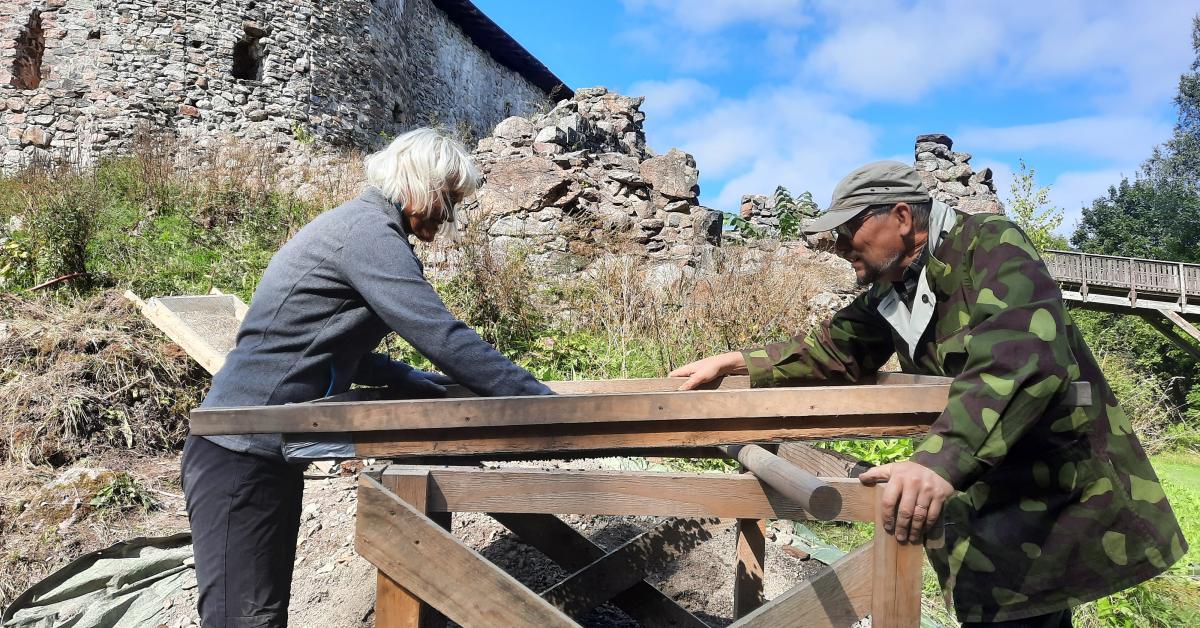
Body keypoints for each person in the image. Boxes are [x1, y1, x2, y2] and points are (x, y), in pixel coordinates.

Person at [670, 161, 1186, 626]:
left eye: (849, 229)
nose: (841, 245)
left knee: (1028, 614)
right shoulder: (895, 285)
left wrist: (939, 462)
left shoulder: (992, 245)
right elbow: (836, 348)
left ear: (901, 217)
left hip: (1049, 497)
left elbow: (1020, 360)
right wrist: (738, 362)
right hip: (985, 500)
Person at [181, 128, 552, 627]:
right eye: (447, 198)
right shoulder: (367, 233)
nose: (448, 215)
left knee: (261, 615)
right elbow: (438, 332)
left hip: (261, 448)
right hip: (236, 449)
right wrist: (540, 401)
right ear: (418, 184)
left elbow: (321, 343)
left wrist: (403, 376)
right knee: (242, 621)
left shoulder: (360, 227)